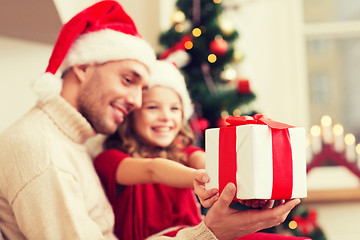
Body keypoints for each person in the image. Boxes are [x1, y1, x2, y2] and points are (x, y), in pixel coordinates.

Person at [0, 1, 300, 240]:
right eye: (128, 79)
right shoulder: (43, 151)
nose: (136, 102)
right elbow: (154, 171)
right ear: (83, 68)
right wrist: (209, 234)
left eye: (143, 89)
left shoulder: (74, 144)